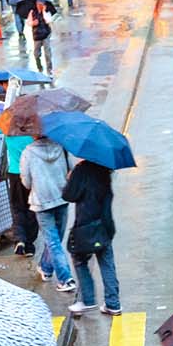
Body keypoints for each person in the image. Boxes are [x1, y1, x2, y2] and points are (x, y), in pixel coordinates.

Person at [21, 132, 79, 292]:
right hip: (62, 198)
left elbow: (26, 182)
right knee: (56, 240)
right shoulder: (60, 146)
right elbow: (72, 170)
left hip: (42, 202)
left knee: (53, 241)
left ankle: (65, 278)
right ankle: (46, 268)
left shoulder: (28, 152)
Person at [62, 159, 121, 316]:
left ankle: (88, 300)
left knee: (79, 260)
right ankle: (113, 303)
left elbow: (69, 195)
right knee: (107, 263)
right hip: (104, 225)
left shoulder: (81, 170)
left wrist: (71, 178)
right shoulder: (105, 170)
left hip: (85, 226)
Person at [28, 0, 54, 75]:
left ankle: (49, 70)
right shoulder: (32, 12)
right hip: (37, 35)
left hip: (46, 34)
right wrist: (33, 23)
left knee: (47, 53)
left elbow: (49, 20)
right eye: (38, 4)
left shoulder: (46, 11)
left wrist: (43, 12)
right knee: (36, 53)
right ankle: (40, 68)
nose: (40, 6)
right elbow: (28, 22)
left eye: (41, 4)